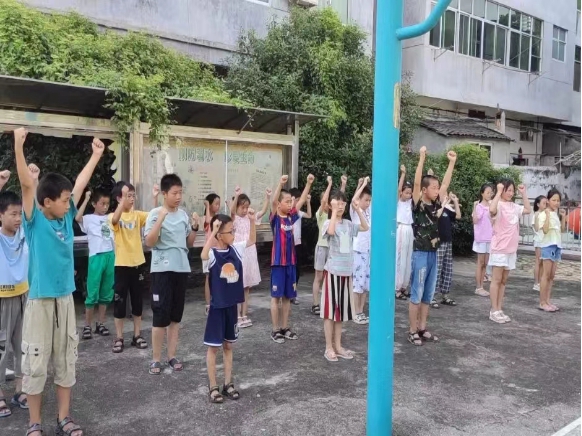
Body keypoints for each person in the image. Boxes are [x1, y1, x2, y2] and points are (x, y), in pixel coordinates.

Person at [16, 127, 104, 436]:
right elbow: (26, 185)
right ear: (47, 201)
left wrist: (95, 156)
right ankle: (34, 423)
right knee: (36, 364)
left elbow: (79, 183)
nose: (69, 204)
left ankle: (64, 418)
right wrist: (18, 145)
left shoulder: (66, 218)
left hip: (65, 299)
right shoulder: (34, 221)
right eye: (64, 200)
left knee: (67, 361)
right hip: (40, 301)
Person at [144, 174, 199, 375]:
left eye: (180, 193)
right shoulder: (154, 214)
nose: (178, 197)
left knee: (176, 316)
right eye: (174, 193)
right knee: (160, 314)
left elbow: (188, 243)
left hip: (181, 269)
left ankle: (172, 356)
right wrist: (161, 219)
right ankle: (156, 359)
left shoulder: (183, 215)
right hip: (161, 270)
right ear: (164, 193)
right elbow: (149, 242)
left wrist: (195, 227)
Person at [202, 212, 256, 403]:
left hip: (231, 306)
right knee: (213, 347)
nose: (233, 234)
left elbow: (251, 240)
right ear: (219, 235)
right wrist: (213, 232)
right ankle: (213, 386)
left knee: (228, 345)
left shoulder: (237, 249)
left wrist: (252, 221)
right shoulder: (212, 254)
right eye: (230, 231)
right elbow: (202, 255)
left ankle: (228, 383)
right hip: (217, 307)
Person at [407, 147, 457, 346]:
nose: (437, 190)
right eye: (433, 188)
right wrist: (421, 158)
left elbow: (445, 183)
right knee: (416, 293)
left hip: (433, 254)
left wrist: (452, 162)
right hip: (420, 253)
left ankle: (422, 328)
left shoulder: (437, 205)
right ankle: (412, 330)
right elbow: (417, 182)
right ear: (425, 190)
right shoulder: (418, 204)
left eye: (437, 188)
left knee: (428, 294)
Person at [0, 164, 38, 418]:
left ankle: (19, 390)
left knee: (22, 346)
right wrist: (1, 184)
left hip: (24, 295)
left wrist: (33, 181)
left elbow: (31, 207)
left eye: (18, 213)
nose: (17, 218)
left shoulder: (24, 231)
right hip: (2, 298)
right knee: (1, 348)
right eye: (12, 214)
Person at [109, 181, 158, 353]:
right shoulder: (113, 216)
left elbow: (153, 216)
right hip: (121, 265)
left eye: (132, 195)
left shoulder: (137, 215)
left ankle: (137, 335)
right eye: (127, 196)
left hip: (137, 264)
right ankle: (119, 337)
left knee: (138, 301)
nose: (131, 199)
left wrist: (154, 197)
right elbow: (114, 220)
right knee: (119, 302)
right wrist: (122, 203)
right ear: (118, 198)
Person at [321, 191, 369, 361]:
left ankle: (338, 346)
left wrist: (358, 210)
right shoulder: (328, 222)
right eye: (337, 202)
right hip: (333, 273)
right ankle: (328, 347)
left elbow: (365, 227)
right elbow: (331, 232)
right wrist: (334, 211)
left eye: (343, 203)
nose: (340, 205)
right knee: (330, 313)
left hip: (346, 274)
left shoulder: (348, 224)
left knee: (340, 313)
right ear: (330, 205)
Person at [269, 174, 313, 343]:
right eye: (286, 202)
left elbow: (300, 201)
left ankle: (285, 327)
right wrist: (280, 184)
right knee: (276, 297)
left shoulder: (291, 217)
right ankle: (275, 330)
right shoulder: (275, 218)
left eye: (290, 202)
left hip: (291, 263)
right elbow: (273, 201)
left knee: (287, 297)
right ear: (280, 204)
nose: (290, 204)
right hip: (278, 263)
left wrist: (308, 184)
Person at [488, 180, 531, 324]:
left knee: (503, 281)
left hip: (511, 250)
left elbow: (528, 209)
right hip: (499, 249)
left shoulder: (514, 206)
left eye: (512, 191)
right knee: (496, 280)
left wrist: (523, 193)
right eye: (508, 190)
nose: (511, 193)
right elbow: (492, 210)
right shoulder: (497, 204)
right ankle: (493, 310)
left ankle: (499, 308)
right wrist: (499, 192)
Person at [75, 189, 115, 339]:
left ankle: (101, 323)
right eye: (102, 204)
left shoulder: (110, 218)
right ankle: (87, 325)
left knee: (106, 292)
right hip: (96, 256)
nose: (105, 207)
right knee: (92, 292)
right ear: (94, 204)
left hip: (110, 255)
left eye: (107, 204)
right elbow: (77, 217)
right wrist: (85, 199)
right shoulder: (89, 218)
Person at [230, 187, 270, 328]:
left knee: (247, 286)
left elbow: (263, 211)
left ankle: (244, 314)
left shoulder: (249, 217)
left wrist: (267, 198)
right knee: (237, 285)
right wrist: (236, 195)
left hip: (250, 254)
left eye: (247, 207)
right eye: (242, 207)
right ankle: (236, 315)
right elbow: (231, 212)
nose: (245, 210)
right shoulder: (234, 219)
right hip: (238, 254)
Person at [311, 175, 346, 316]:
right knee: (318, 277)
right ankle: (315, 304)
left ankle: (329, 303)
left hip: (333, 249)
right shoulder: (320, 214)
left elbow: (341, 199)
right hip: (322, 248)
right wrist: (329, 184)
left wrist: (343, 184)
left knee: (330, 278)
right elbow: (324, 200)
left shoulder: (335, 216)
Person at [537, 188, 566, 312]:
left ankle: (548, 301)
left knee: (552, 276)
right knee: (546, 274)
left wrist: (563, 217)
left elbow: (562, 230)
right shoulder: (543, 214)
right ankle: (542, 302)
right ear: (548, 200)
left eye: (558, 200)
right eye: (553, 200)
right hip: (548, 245)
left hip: (557, 245)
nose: (556, 203)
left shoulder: (555, 214)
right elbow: (545, 230)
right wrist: (548, 215)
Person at [433, 192, 461, 307]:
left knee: (447, 268)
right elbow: (436, 216)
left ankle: (445, 295)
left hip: (448, 242)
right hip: (438, 242)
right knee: (437, 269)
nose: (445, 195)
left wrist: (455, 201)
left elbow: (458, 216)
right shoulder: (435, 208)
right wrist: (444, 203)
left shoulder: (447, 210)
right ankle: (432, 296)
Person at [350, 176, 372, 324]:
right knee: (357, 283)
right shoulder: (355, 211)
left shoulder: (368, 211)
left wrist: (362, 185)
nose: (368, 203)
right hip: (358, 251)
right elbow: (354, 200)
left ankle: (361, 311)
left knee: (365, 284)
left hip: (368, 251)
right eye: (366, 200)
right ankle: (355, 312)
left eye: (369, 200)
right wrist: (362, 184)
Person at [289, 187, 312, 305]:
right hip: (289, 245)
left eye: (299, 200)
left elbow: (309, 215)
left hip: (297, 244)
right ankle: (287, 294)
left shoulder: (298, 213)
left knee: (297, 269)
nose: (298, 202)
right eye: (297, 200)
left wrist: (308, 202)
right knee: (289, 269)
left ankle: (293, 293)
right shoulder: (287, 213)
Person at [396, 165, 413, 300]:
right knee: (400, 258)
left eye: (409, 193)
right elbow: (397, 190)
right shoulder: (398, 202)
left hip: (409, 229)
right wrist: (403, 174)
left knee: (408, 258)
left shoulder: (410, 202)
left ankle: (404, 286)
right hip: (401, 228)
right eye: (406, 192)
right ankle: (397, 287)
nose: (408, 195)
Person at [472, 184, 493, 297]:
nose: (490, 194)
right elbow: (475, 221)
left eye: (491, 192)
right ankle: (478, 287)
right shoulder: (479, 206)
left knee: (485, 263)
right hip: (481, 238)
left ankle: (481, 286)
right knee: (480, 263)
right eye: (487, 192)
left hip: (490, 238)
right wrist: (474, 207)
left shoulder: (492, 206)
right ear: (482, 193)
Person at [203, 193, 221, 313]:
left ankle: (217, 300)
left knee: (218, 276)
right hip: (208, 252)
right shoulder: (207, 218)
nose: (218, 206)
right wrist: (207, 207)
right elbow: (208, 221)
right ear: (209, 205)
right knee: (208, 277)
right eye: (216, 204)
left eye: (219, 204)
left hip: (217, 250)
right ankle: (208, 304)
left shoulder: (218, 218)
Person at [532, 195, 547, 291]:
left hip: (545, 240)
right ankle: (536, 283)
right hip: (539, 240)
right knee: (538, 261)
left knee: (542, 262)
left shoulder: (546, 214)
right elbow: (536, 228)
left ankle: (541, 282)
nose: (545, 205)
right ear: (538, 204)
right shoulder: (536, 214)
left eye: (546, 203)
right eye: (543, 203)